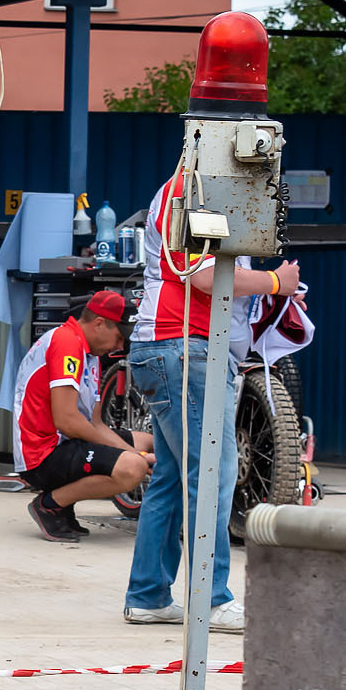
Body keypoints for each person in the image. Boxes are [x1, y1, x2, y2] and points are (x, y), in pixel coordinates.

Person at [122, 171, 299, 632]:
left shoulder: (192, 187)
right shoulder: (194, 189)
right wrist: (274, 283)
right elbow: (201, 276)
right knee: (211, 474)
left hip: (173, 347)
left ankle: (149, 595)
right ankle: (212, 599)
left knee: (173, 478)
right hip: (185, 346)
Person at [14, 289, 151, 542]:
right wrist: (131, 455)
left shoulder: (90, 353)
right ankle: (50, 505)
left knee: (147, 442)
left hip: (64, 444)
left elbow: (95, 424)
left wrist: (132, 449)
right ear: (99, 324)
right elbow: (67, 422)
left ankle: (63, 503)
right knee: (133, 468)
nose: (120, 346)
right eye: (119, 337)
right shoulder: (67, 342)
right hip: (42, 455)